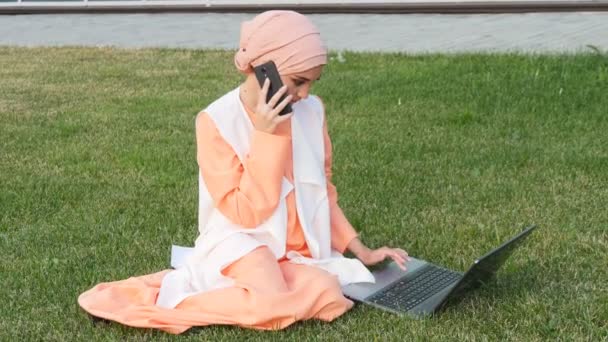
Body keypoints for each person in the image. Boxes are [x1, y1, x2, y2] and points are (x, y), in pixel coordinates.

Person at [78, 10, 409, 334]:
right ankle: (168, 305)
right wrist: (267, 136)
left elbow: (322, 192)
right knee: (292, 300)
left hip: (293, 255)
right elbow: (247, 214)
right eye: (299, 81)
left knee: (330, 294)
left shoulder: (312, 112)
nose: (306, 94)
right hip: (241, 243)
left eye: (312, 82)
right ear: (265, 68)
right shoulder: (215, 121)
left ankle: (277, 295)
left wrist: (361, 249)